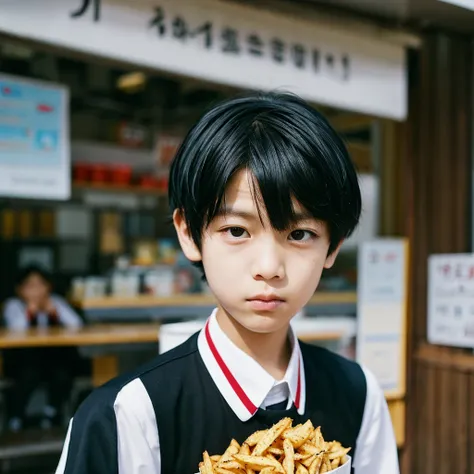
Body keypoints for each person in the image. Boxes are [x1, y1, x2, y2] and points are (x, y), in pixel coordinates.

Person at [55, 92, 399, 474]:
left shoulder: (358, 394)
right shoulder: (127, 415)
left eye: (300, 234)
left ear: (333, 246)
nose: (269, 267)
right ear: (189, 233)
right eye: (237, 230)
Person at [3, 265, 83, 431]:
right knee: (27, 375)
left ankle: (52, 413)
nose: (36, 291)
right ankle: (16, 416)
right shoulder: (14, 305)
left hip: (51, 359)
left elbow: (76, 324)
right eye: (30, 286)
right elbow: (15, 328)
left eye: (41, 285)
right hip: (23, 360)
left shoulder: (56, 302)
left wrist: (54, 311)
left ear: (49, 287)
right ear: (19, 289)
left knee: (62, 373)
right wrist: (30, 311)